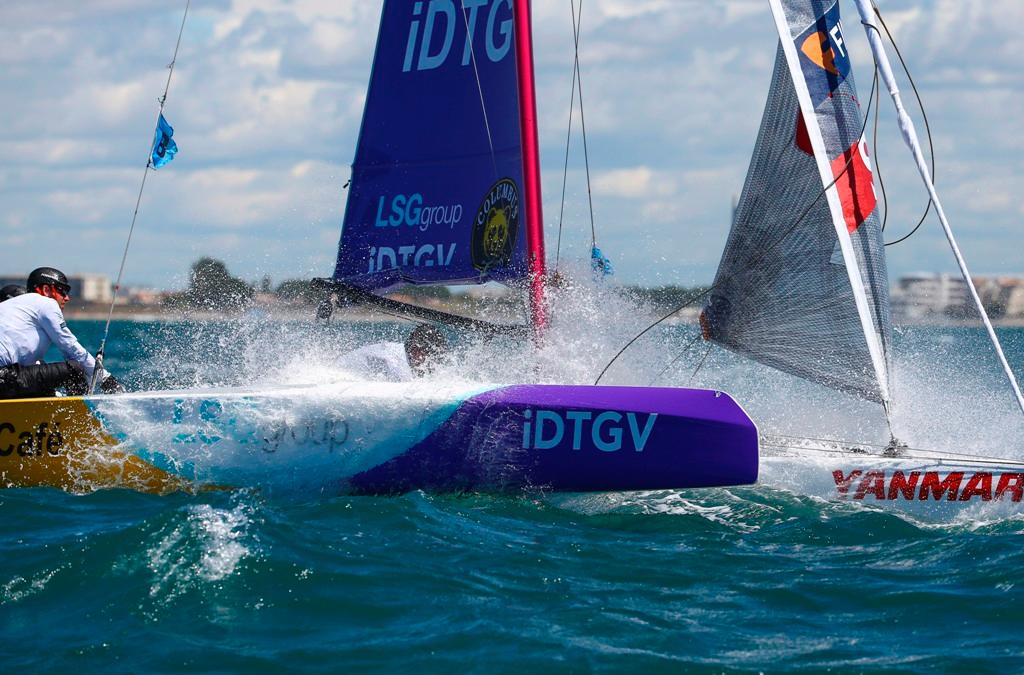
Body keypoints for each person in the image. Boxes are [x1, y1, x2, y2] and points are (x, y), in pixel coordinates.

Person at [0, 267, 123, 399]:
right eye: (62, 291)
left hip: (6, 377)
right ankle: (80, 415)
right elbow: (71, 349)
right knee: (74, 369)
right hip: (4, 378)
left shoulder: (16, 306)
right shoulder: (45, 303)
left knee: (40, 369)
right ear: (46, 290)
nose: (67, 297)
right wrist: (106, 379)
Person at [337, 323, 449, 382]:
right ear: (416, 350)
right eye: (431, 356)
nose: (432, 362)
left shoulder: (400, 351)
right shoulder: (397, 363)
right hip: (335, 380)